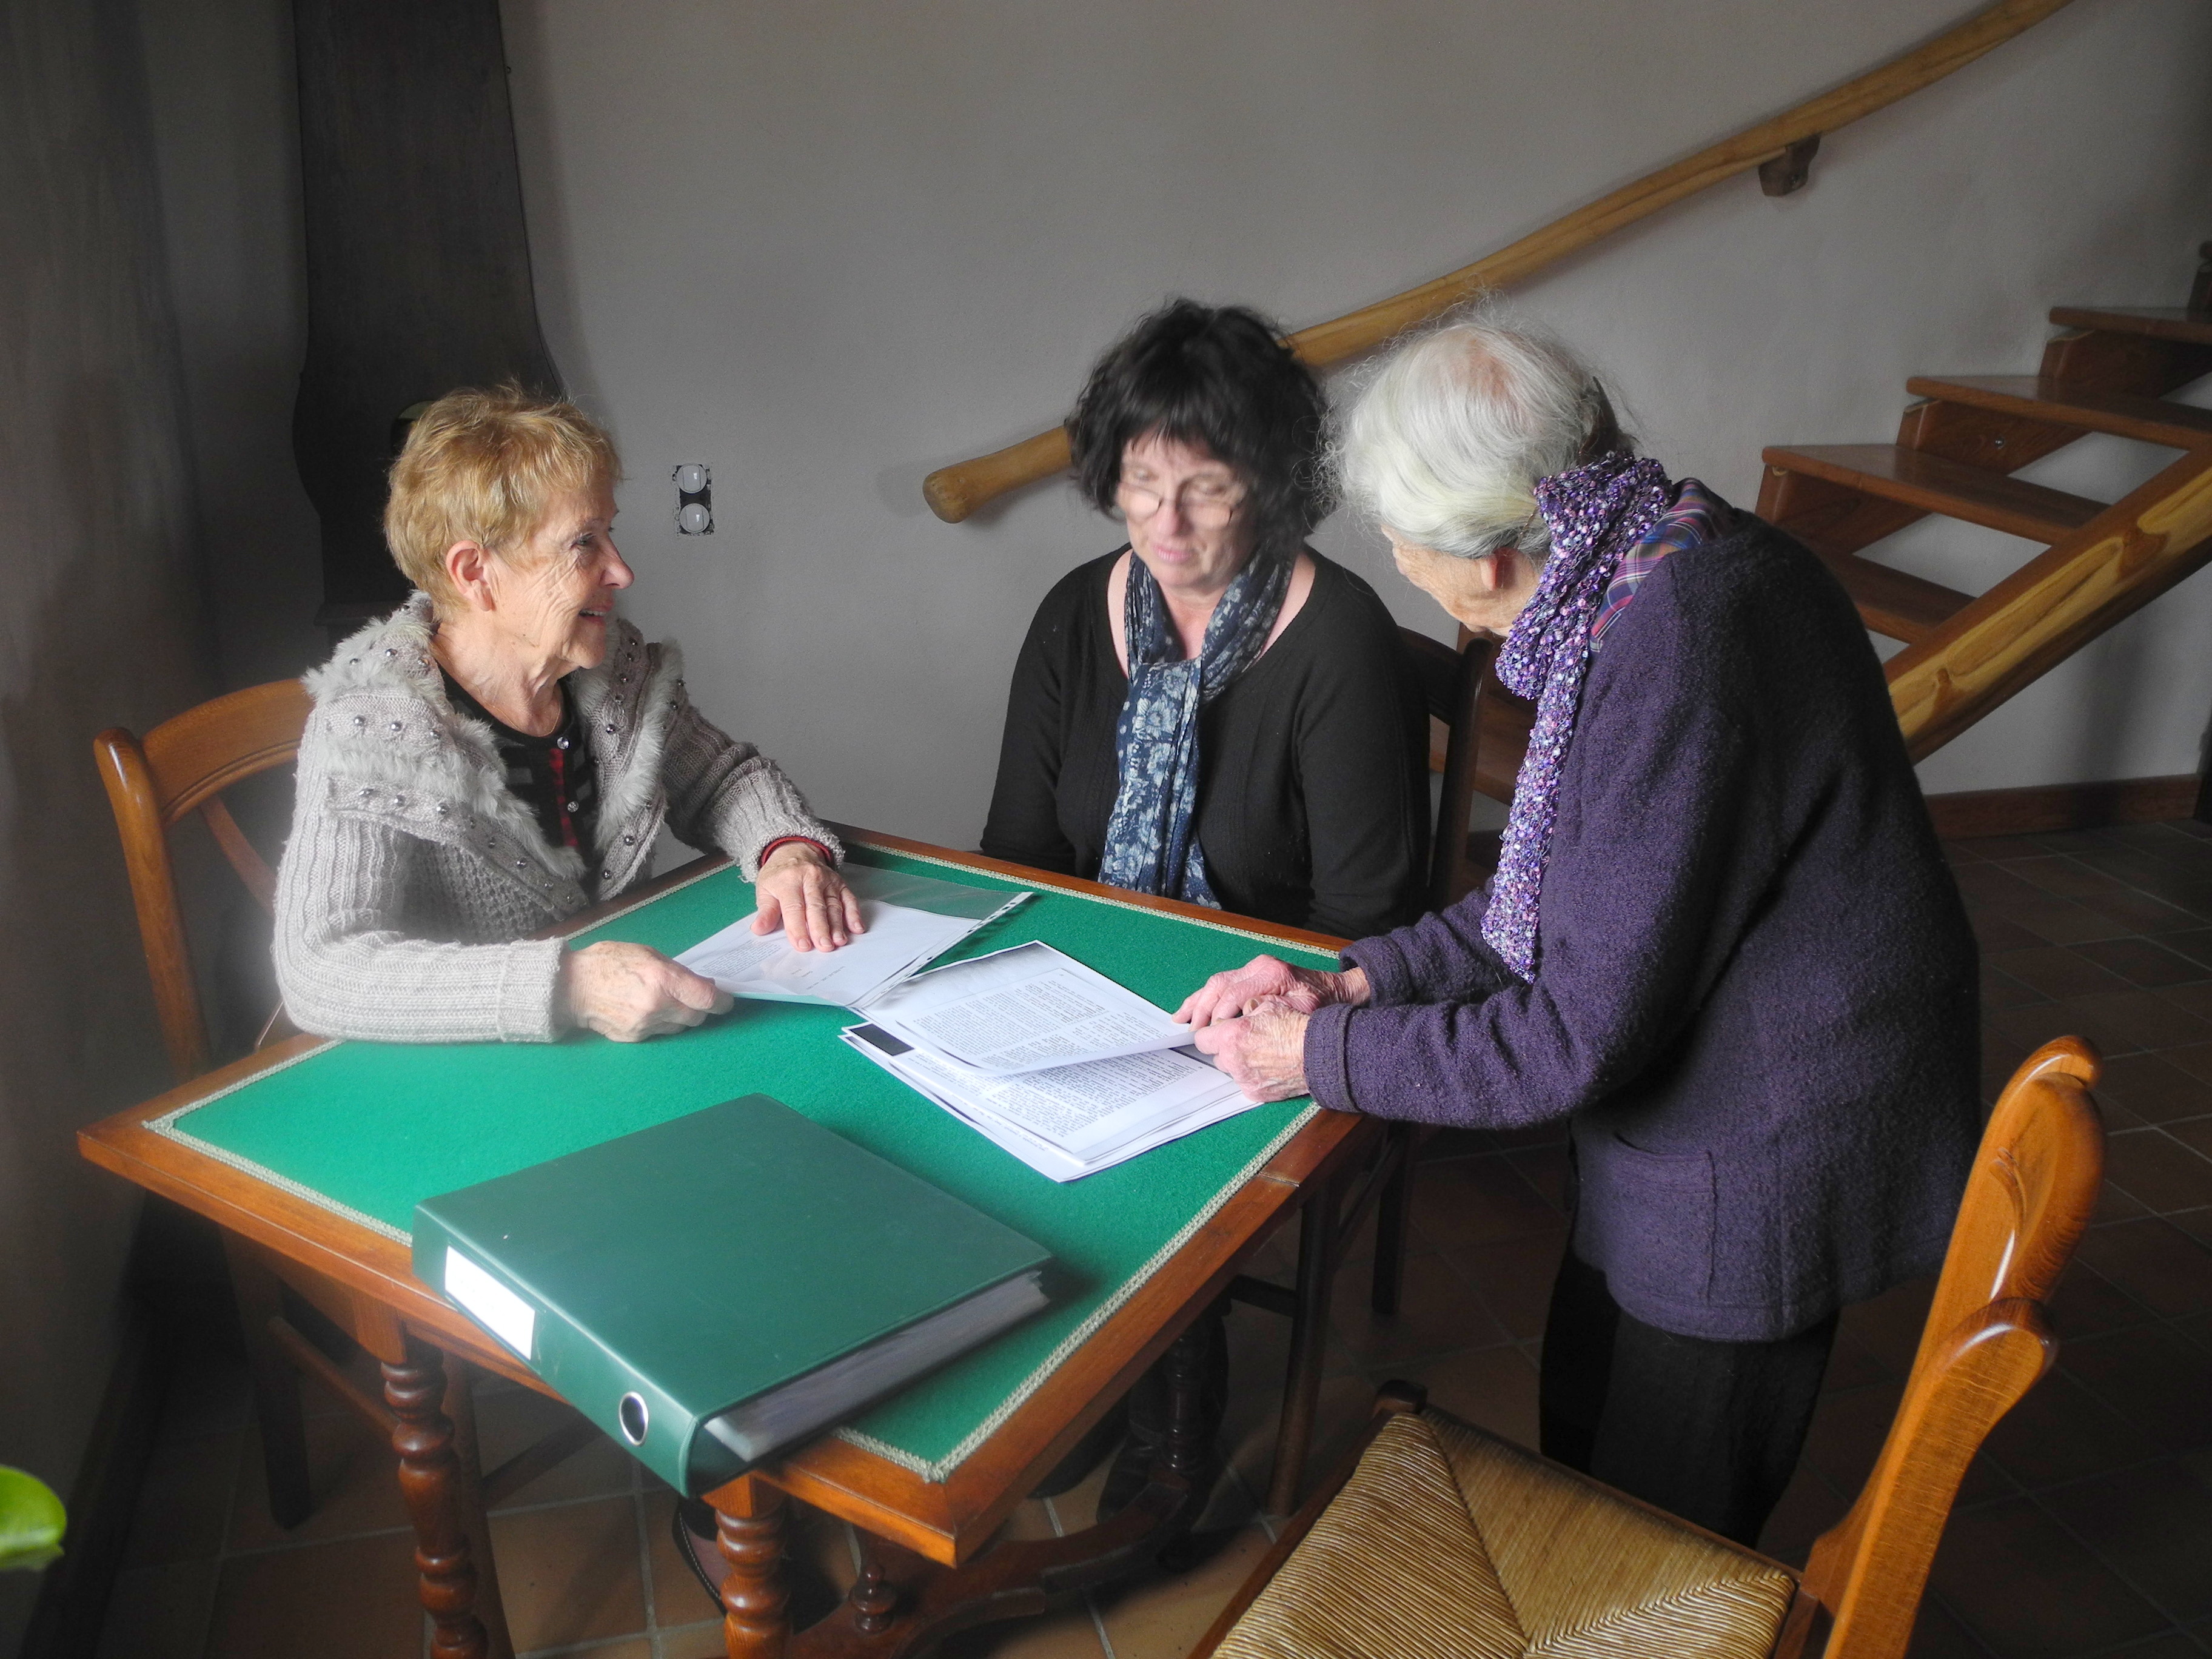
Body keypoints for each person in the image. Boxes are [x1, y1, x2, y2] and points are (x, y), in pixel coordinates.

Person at [1176, 321, 1980, 1546]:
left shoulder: (1678, 641)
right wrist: (1347, 983)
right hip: (1699, 1097)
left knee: (1652, 1544)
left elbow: (1569, 1039)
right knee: (1588, 1448)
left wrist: (1314, 1058)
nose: (1415, 582)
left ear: (1492, 559)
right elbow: (1547, 900)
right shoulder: (1643, 561)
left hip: (1761, 1148)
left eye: (1404, 553)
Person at [273, 385, 859, 1045]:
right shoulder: (369, 727)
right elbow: (322, 967)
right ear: (474, 572)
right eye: (584, 542)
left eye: (611, 532)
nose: (622, 571)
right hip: (468, 1071)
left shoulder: (615, 677)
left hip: (625, 1045)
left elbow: (721, 779)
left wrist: (785, 851)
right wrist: (570, 987)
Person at [982, 298, 1430, 941]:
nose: (1168, 523)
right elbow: (1021, 860)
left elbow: (1365, 926)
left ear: (1269, 486)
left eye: (1207, 488)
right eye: (1144, 480)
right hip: (1083, 970)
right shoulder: (1073, 612)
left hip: (1273, 992)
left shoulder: (1344, 644)